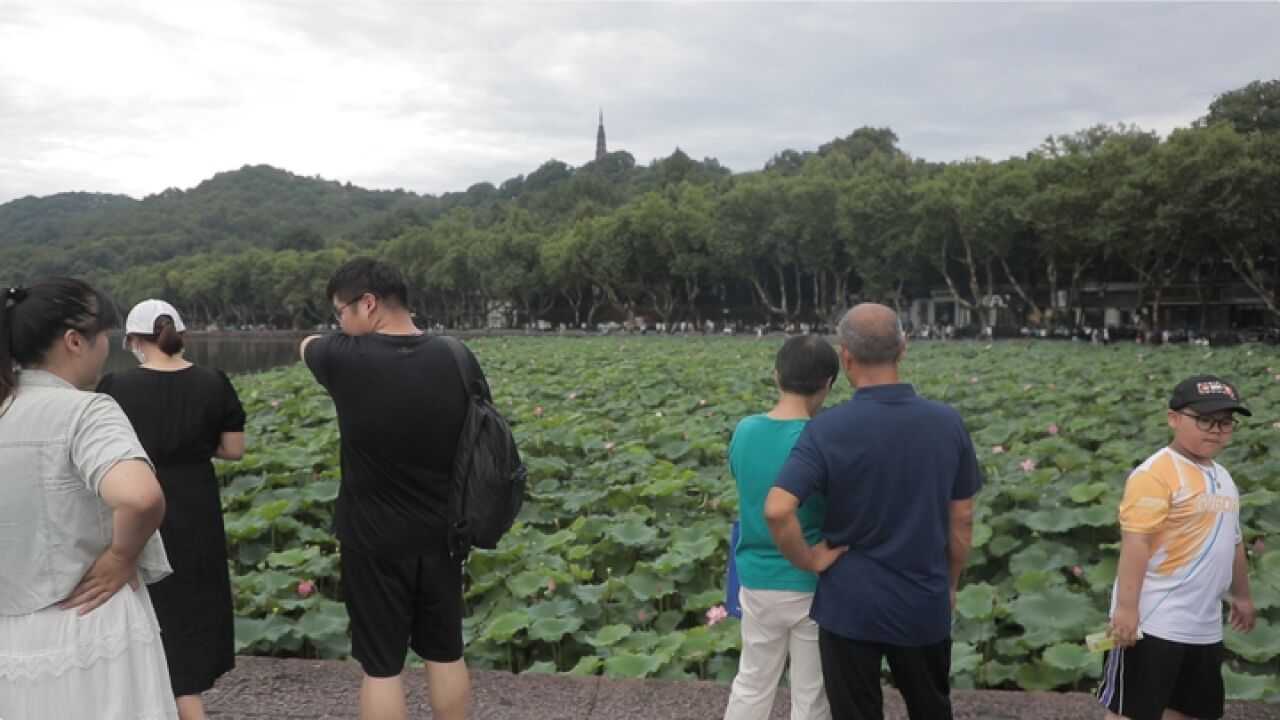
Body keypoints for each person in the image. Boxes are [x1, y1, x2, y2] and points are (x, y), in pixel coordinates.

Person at [765, 303, 981, 720]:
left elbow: (777, 510)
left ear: (845, 356)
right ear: (903, 349)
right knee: (931, 709)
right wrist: (949, 582)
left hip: (849, 605)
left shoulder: (826, 428)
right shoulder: (947, 422)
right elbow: (963, 520)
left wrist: (809, 559)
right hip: (922, 598)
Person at [300, 257, 483, 720]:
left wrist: (342, 335)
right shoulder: (456, 355)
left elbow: (307, 346)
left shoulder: (343, 359)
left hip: (373, 540)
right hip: (442, 534)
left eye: (341, 311)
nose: (339, 322)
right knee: (445, 653)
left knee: (382, 668)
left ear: (369, 303)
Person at [0, 279, 176, 719]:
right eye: (104, 337)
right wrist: (122, 554)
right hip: (92, 624)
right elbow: (139, 496)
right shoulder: (86, 411)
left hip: (12, 636)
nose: (106, 349)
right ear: (75, 341)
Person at [96, 299, 246, 720]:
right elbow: (234, 450)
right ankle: (188, 695)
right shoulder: (214, 382)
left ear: (134, 341)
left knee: (147, 601)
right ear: (181, 334)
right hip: (196, 504)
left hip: (138, 503)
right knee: (193, 605)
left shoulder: (116, 388)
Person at [1096, 375, 1256, 720]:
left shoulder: (1223, 476)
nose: (1215, 430)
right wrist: (1126, 609)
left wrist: (1241, 595)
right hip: (1153, 621)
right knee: (1131, 711)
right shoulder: (1156, 474)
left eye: (1225, 423)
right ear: (1173, 418)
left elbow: (1234, 541)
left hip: (1204, 625)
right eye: (1204, 420)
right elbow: (1136, 543)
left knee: (1185, 711)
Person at [724, 335, 841, 720]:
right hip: (809, 581)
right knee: (810, 694)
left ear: (777, 375)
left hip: (755, 578)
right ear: (828, 382)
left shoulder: (745, 430)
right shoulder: (822, 438)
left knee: (752, 682)